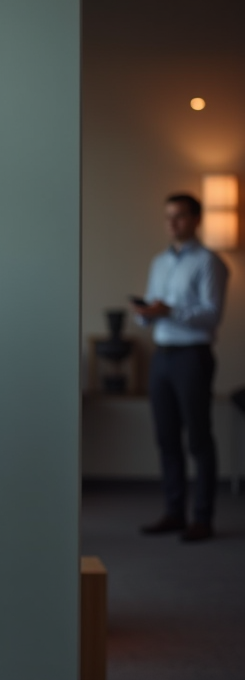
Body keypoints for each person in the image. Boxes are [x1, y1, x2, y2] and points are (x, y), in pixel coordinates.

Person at [134, 193, 228, 543]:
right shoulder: (159, 262)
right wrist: (145, 314)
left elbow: (212, 314)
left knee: (199, 438)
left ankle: (202, 517)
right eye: (168, 216)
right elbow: (153, 309)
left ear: (196, 220)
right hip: (163, 355)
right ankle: (175, 512)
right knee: (166, 437)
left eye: (180, 216)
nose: (172, 222)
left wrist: (168, 311)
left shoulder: (209, 262)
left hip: (192, 355)